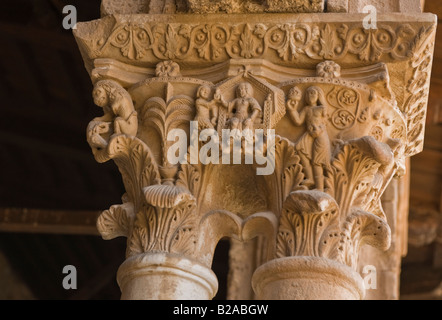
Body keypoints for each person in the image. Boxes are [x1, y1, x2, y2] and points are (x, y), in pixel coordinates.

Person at [287, 86, 330, 191]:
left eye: (313, 93)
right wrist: (292, 110)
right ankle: (310, 177)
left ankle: (321, 187)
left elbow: (325, 118)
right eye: (308, 94)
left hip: (320, 135)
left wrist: (318, 128)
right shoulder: (306, 109)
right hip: (310, 134)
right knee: (299, 147)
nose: (311, 96)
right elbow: (298, 121)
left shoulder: (320, 108)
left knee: (318, 162)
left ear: (318, 96)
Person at [87, 80, 138, 149]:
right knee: (117, 120)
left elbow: (112, 113)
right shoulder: (116, 98)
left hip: (129, 128)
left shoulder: (119, 97)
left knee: (117, 120)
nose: (95, 99)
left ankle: (116, 135)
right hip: (126, 126)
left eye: (98, 92)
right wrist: (103, 121)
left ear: (106, 87)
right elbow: (111, 115)